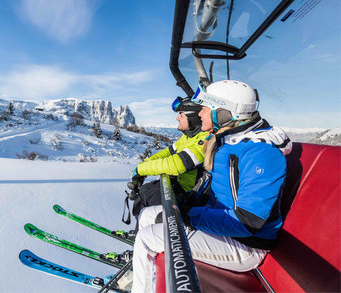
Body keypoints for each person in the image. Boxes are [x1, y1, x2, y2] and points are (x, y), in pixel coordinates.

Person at [130, 80, 292, 292]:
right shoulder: (227, 142)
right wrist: (192, 203)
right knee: (149, 215)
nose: (199, 114)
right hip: (223, 226)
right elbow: (221, 193)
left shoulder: (260, 153)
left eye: (205, 109)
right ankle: (146, 274)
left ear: (225, 114)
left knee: (147, 238)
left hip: (246, 245)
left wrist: (189, 215)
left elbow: (249, 221)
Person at [113, 97, 209, 245]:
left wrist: (141, 169)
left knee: (151, 194)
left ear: (193, 118)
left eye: (181, 115)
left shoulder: (205, 139)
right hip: (178, 186)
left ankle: (152, 243)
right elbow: (166, 153)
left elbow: (177, 164)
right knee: (145, 191)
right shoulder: (188, 137)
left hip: (190, 195)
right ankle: (142, 233)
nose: (177, 118)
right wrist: (144, 166)